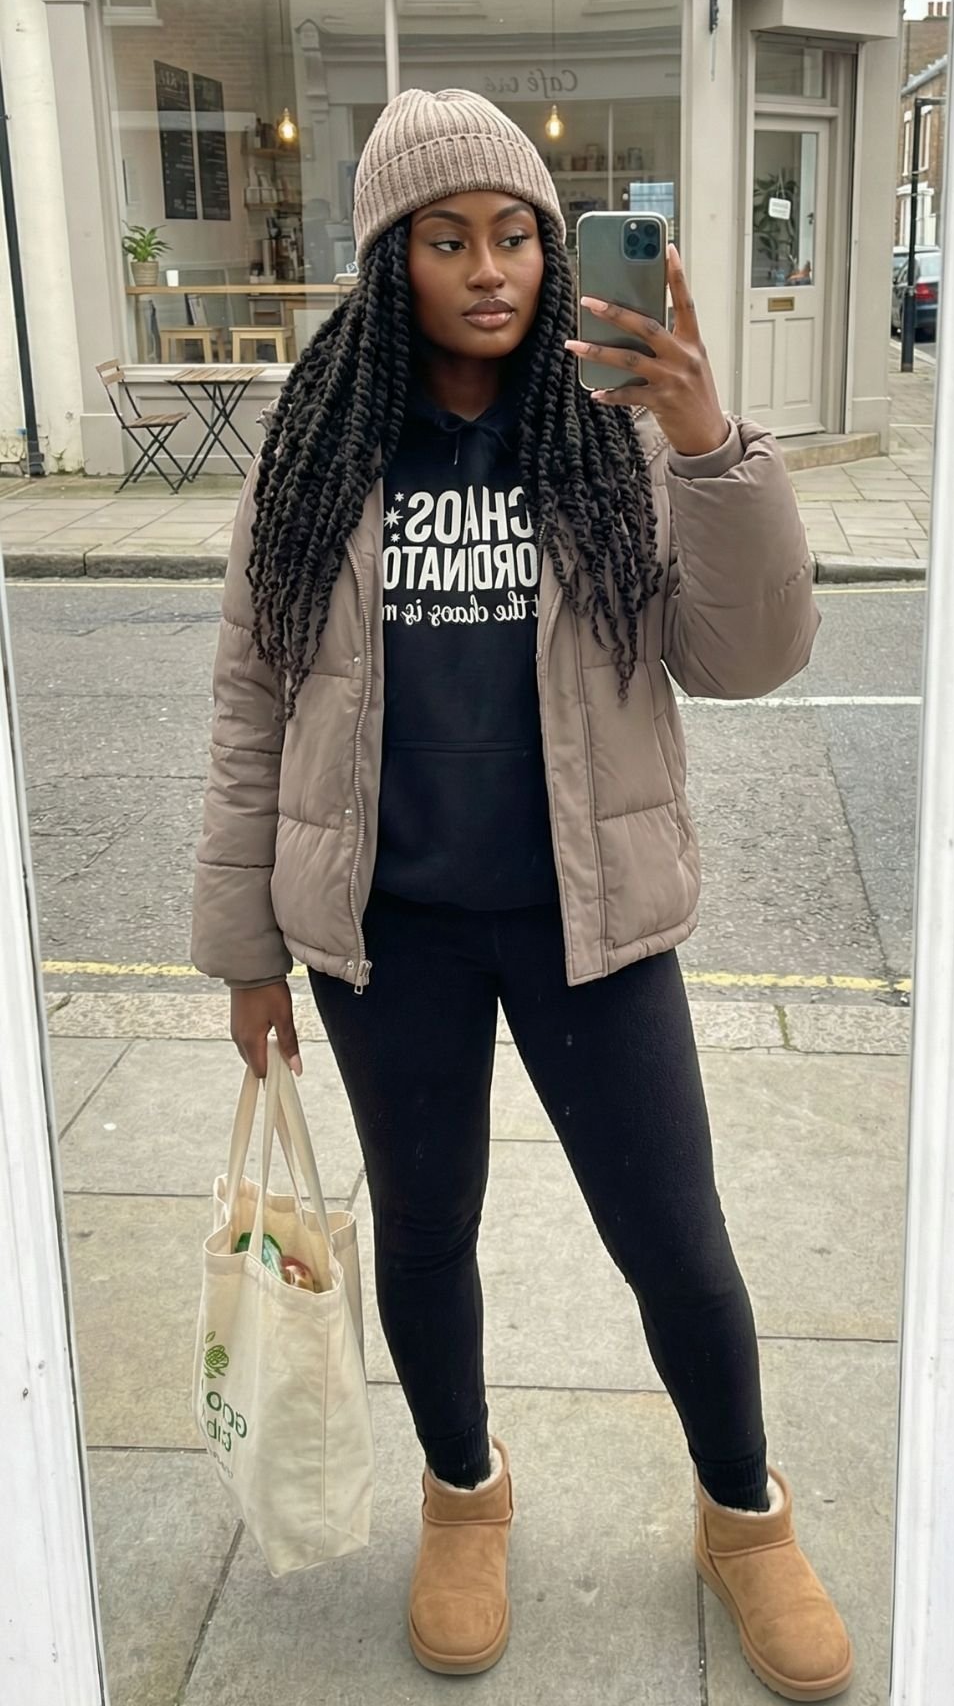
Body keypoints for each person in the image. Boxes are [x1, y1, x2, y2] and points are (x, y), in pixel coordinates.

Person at [191, 88, 852, 1700]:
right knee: (427, 1236)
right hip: (384, 935)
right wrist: (244, 956)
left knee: (675, 1244)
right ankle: (462, 1493)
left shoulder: (615, 436)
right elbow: (251, 701)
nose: (486, 268)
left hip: (595, 923)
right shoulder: (317, 452)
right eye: (445, 238)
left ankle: (742, 1515)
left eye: (515, 236)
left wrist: (708, 440)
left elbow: (748, 658)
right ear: (388, 261)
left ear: (557, 258)